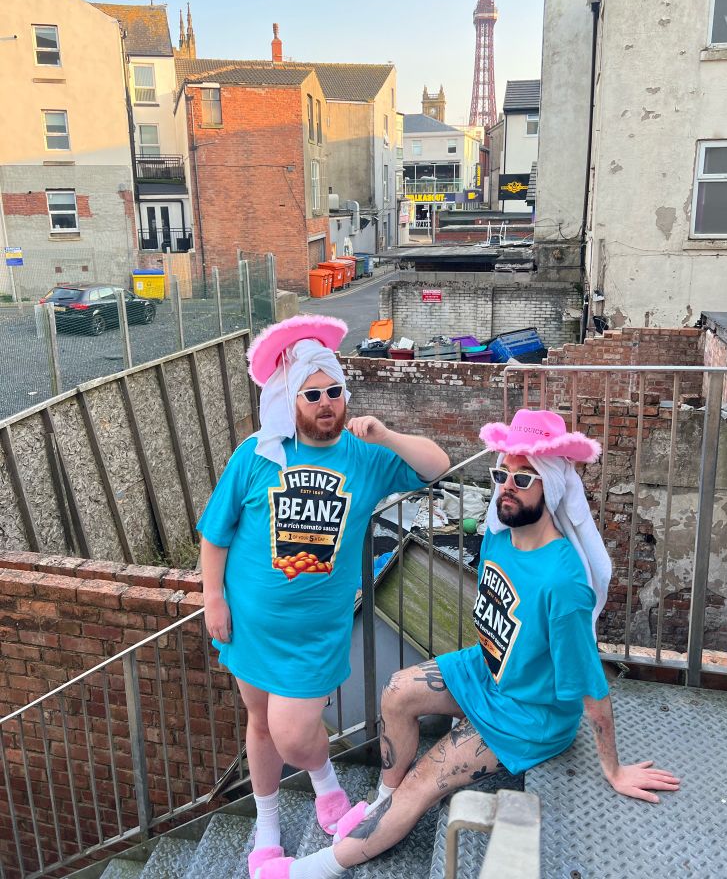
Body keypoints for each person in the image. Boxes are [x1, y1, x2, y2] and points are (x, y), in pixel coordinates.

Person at [253, 408, 680, 879]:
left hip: (527, 715)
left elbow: (591, 688)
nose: (507, 489)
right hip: (487, 672)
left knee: (421, 785)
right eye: (503, 475)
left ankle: (311, 869)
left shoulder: (563, 583)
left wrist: (615, 770)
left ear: (553, 487)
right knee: (396, 691)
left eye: (525, 479)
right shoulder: (501, 534)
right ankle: (380, 803)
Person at [197, 313, 449, 875]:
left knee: (290, 733)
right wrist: (213, 598)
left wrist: (384, 434)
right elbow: (216, 535)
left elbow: (437, 465)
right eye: (313, 393)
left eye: (335, 390)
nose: (327, 402)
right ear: (289, 398)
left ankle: (326, 780)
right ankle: (268, 820)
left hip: (315, 635)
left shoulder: (363, 456)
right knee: (258, 723)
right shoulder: (256, 455)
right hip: (249, 624)